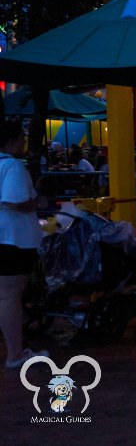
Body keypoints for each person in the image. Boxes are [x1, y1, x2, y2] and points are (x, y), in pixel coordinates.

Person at [0, 120, 49, 368]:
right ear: (10, 141)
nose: (24, 141)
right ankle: (15, 354)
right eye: (21, 137)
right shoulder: (11, 167)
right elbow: (13, 200)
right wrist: (35, 202)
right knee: (9, 297)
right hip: (11, 240)